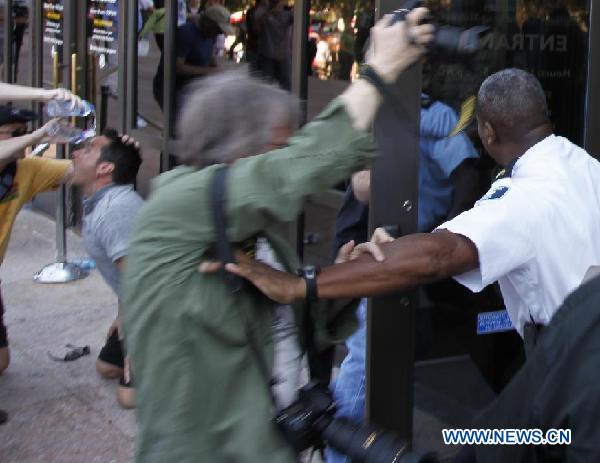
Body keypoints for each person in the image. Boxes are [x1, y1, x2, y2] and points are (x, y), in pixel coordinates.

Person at [121, 10, 434, 463]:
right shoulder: (173, 210)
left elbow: (291, 325)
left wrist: (340, 281)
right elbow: (294, 172)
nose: (286, 160)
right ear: (237, 151)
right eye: (278, 149)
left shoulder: (261, 242)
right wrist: (379, 72)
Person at [226, 68, 600, 358]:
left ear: (487, 132)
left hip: (576, 371)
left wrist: (300, 284)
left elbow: (437, 256)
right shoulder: (586, 166)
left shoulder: (521, 200)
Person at [327, 95, 480, 463]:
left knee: (364, 366)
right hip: (364, 249)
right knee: (359, 358)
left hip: (405, 252)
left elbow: (468, 175)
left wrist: (443, 239)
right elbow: (360, 184)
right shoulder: (372, 111)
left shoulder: (434, 115)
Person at [70, 129, 143, 410]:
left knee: (129, 398)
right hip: (135, 301)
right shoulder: (100, 202)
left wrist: (134, 334)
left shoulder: (115, 210)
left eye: (87, 150)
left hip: (162, 310)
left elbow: (145, 281)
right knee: (106, 368)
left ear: (104, 168)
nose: (75, 153)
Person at [254, 0, 293, 89]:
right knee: (267, 85)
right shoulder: (263, 10)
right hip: (267, 54)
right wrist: (270, 9)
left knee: (286, 83)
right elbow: (256, 26)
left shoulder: (287, 13)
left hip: (283, 54)